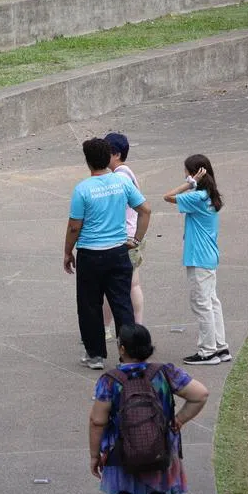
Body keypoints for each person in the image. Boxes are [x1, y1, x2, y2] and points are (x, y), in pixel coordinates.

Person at [89, 323, 209, 494]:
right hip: (161, 454)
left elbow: (97, 421)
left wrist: (94, 456)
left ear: (122, 349)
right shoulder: (165, 372)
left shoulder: (109, 381)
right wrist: (180, 419)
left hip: (122, 458)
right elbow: (201, 394)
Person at [65, 138, 152, 369]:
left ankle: (95, 355)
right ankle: (130, 355)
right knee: (122, 303)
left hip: (91, 253)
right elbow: (145, 210)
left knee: (89, 304)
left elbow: (75, 226)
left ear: (88, 161)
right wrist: (136, 239)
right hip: (118, 252)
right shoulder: (121, 183)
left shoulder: (83, 189)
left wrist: (67, 251)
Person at [162, 155, 231, 365]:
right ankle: (220, 346)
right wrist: (194, 184)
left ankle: (207, 351)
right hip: (208, 256)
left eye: (186, 172)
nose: (184, 174)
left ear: (194, 173)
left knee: (201, 304)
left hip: (199, 257)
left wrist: (187, 184)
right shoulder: (210, 196)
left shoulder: (197, 197)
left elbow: (167, 196)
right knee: (211, 302)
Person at [102, 133, 144, 340]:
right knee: (130, 284)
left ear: (116, 154)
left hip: (125, 236)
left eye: (106, 151)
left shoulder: (119, 177)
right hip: (133, 233)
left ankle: (119, 328)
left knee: (121, 286)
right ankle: (134, 328)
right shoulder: (126, 172)